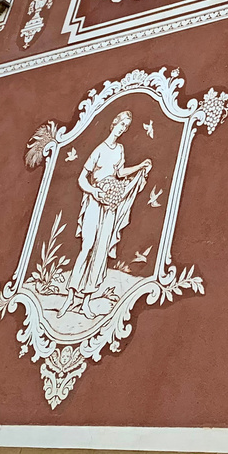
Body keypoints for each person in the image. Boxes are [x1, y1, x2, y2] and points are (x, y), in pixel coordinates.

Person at [58, 111, 152, 320]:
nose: (122, 129)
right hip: (94, 200)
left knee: (101, 250)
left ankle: (86, 302)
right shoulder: (99, 150)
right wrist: (93, 191)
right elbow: (83, 178)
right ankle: (70, 297)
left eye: (126, 127)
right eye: (121, 124)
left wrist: (140, 166)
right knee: (87, 245)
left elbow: (119, 173)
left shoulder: (120, 149)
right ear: (113, 123)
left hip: (110, 203)